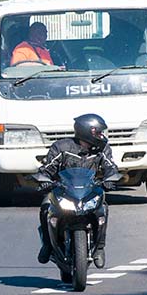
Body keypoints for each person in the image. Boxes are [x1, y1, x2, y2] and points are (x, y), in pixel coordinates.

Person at [34, 114, 119, 268]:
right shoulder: (61, 147)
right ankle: (47, 245)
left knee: (103, 208)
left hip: (89, 192)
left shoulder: (103, 150)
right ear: (88, 132)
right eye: (99, 133)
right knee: (46, 207)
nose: (102, 136)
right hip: (64, 191)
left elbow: (111, 168)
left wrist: (110, 180)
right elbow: (46, 169)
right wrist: (44, 180)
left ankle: (99, 247)